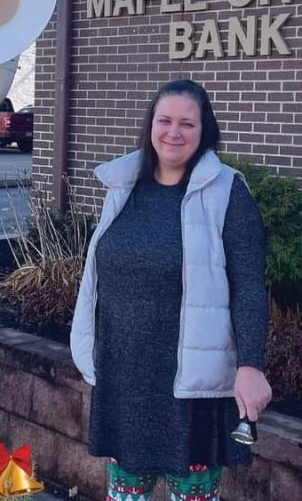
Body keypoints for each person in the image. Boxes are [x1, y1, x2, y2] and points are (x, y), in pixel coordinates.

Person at [71, 79, 272, 501]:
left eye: (187, 123)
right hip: (125, 379)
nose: (173, 132)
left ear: (204, 131)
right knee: (126, 495)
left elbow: (250, 284)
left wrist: (251, 365)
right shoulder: (123, 186)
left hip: (189, 385)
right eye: (164, 120)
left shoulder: (226, 191)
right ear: (151, 125)